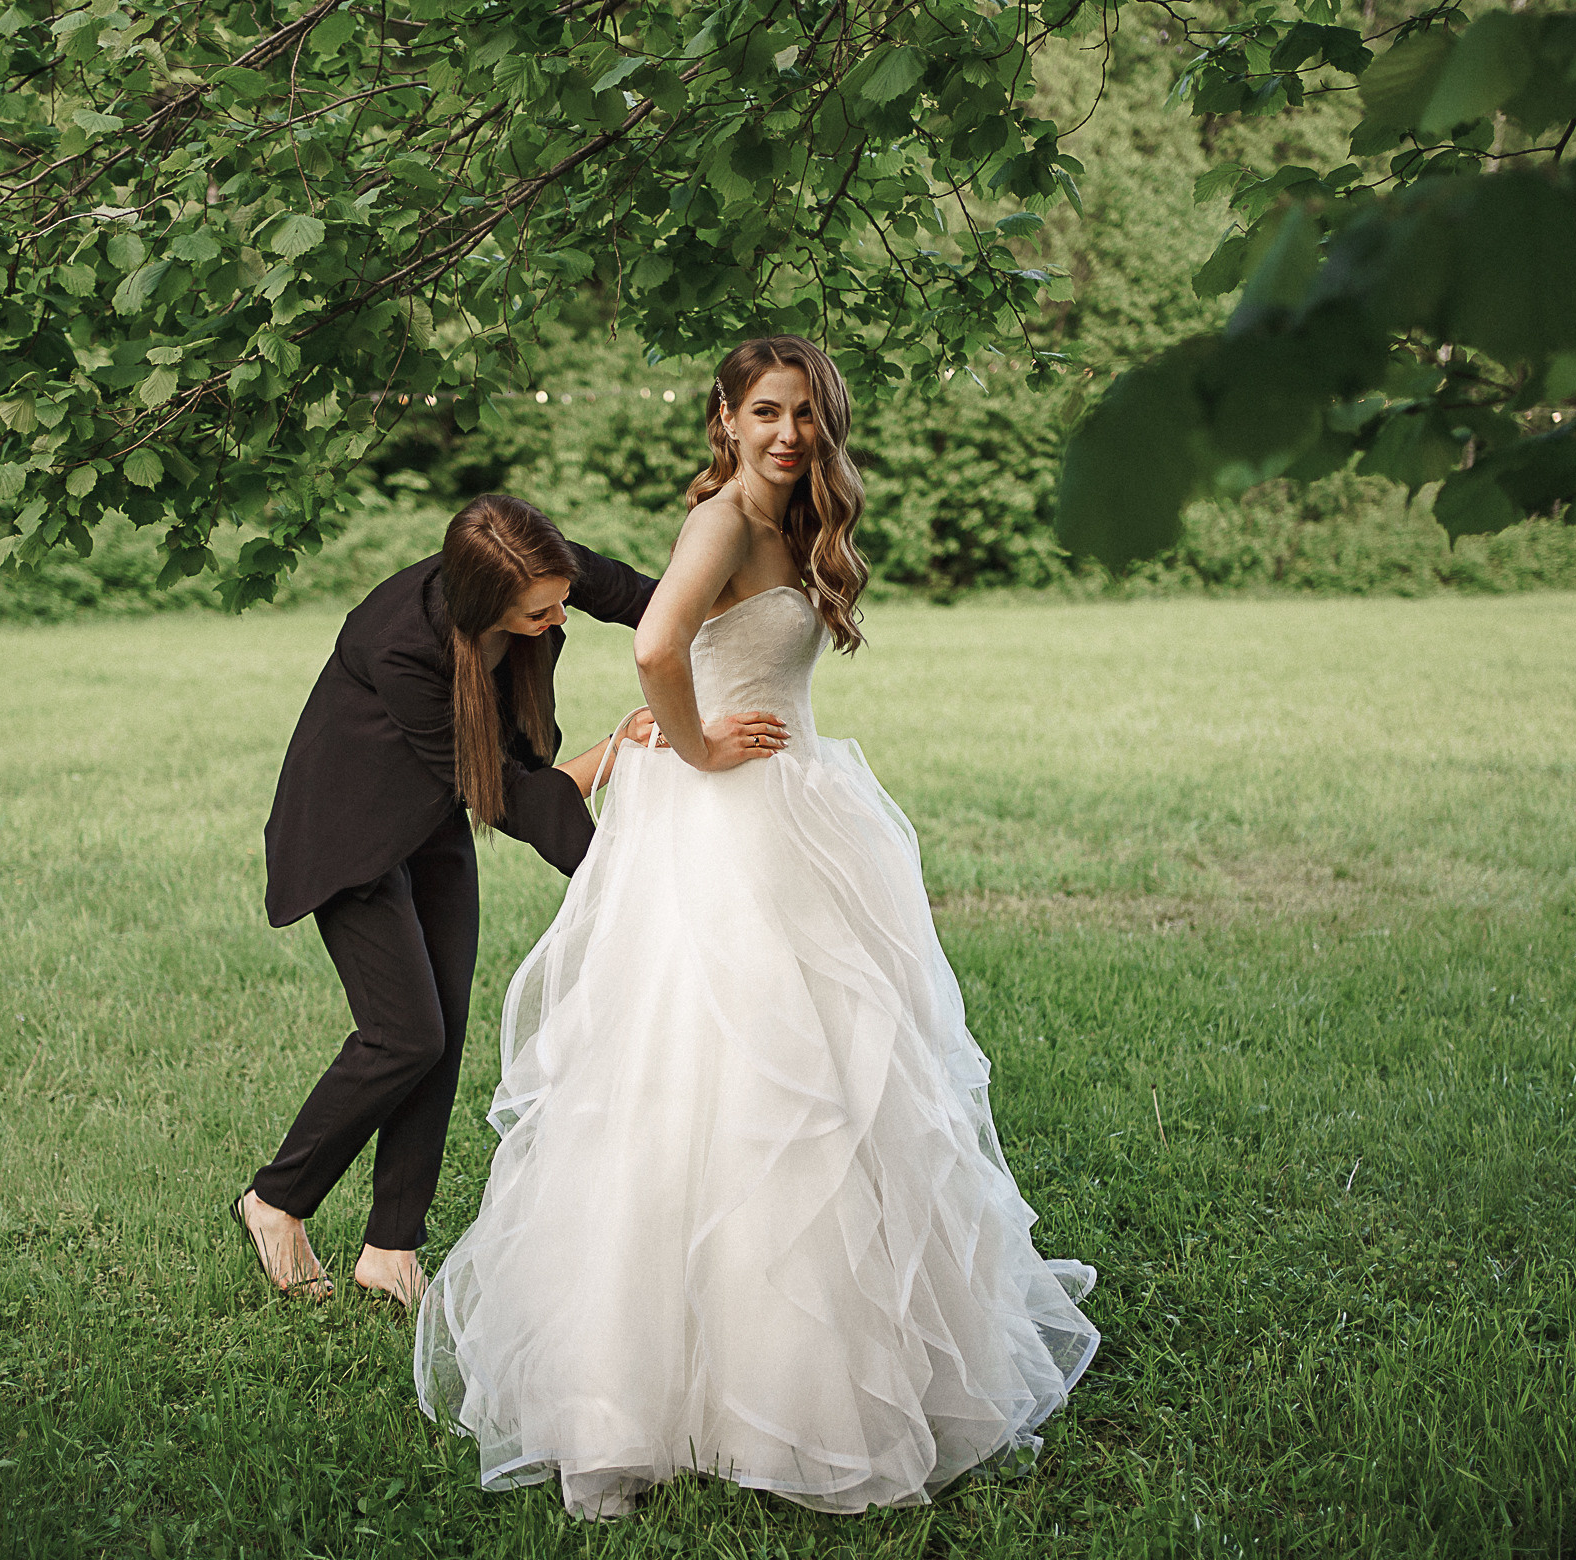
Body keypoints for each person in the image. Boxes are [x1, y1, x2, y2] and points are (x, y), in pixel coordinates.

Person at [413, 337, 1101, 1517]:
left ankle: (817, 1368)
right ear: (725, 417)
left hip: (799, 811)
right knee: (726, 1073)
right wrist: (690, 743)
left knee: (838, 1077)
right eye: (768, 412)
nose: (790, 434)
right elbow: (654, 645)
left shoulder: (795, 526)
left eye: (809, 415)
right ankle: (644, 1397)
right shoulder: (725, 522)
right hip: (727, 824)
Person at [235, 494, 783, 1309]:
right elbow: (506, 795)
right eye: (543, 610)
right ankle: (276, 1200)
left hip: (433, 822)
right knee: (404, 1034)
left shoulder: (542, 568)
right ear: (485, 602)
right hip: (349, 833)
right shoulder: (401, 645)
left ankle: (390, 1249)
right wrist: (619, 807)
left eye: (563, 593)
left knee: (444, 1034)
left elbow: (650, 602)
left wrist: (749, 616)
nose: (562, 612)